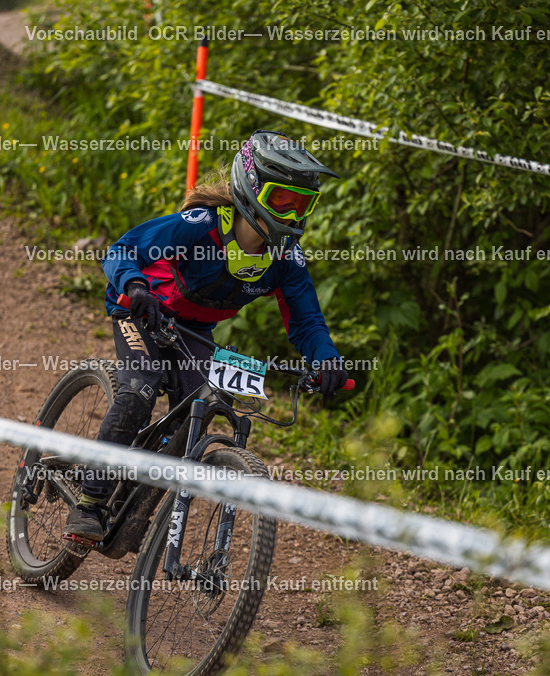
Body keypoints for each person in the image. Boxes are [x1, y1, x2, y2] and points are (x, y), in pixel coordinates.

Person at [63, 129, 349, 542]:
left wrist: (326, 359)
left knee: (197, 411)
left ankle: (133, 495)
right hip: (140, 310)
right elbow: (122, 250)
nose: (290, 213)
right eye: (280, 199)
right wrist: (136, 287)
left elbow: (306, 322)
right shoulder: (201, 226)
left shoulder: (286, 259)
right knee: (140, 389)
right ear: (251, 189)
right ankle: (89, 502)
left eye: (302, 203)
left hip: (193, 329)